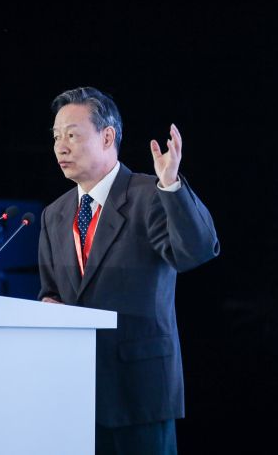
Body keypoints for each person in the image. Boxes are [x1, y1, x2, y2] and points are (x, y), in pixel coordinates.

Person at [37, 86, 220, 455]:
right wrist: (48, 305)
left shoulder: (151, 194)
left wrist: (171, 186)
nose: (60, 147)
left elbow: (196, 251)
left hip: (138, 392)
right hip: (73, 394)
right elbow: (50, 290)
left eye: (72, 135)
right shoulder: (54, 214)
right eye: (56, 137)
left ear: (107, 137)